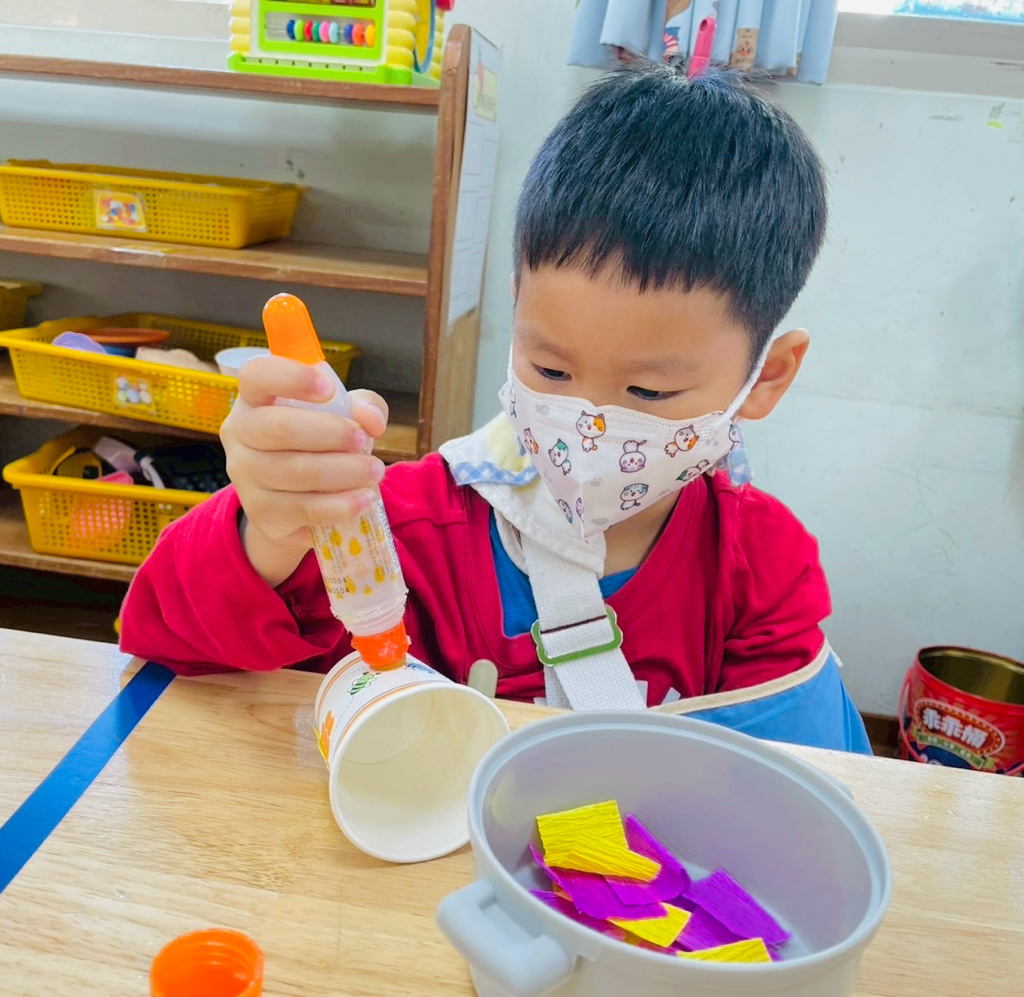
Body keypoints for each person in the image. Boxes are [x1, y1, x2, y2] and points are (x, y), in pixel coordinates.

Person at [120, 62, 872, 753]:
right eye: (551, 367)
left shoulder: (759, 566)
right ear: (518, 312)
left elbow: (786, 785)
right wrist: (267, 532)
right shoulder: (404, 526)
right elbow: (164, 646)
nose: (587, 426)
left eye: (648, 393)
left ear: (766, 376)